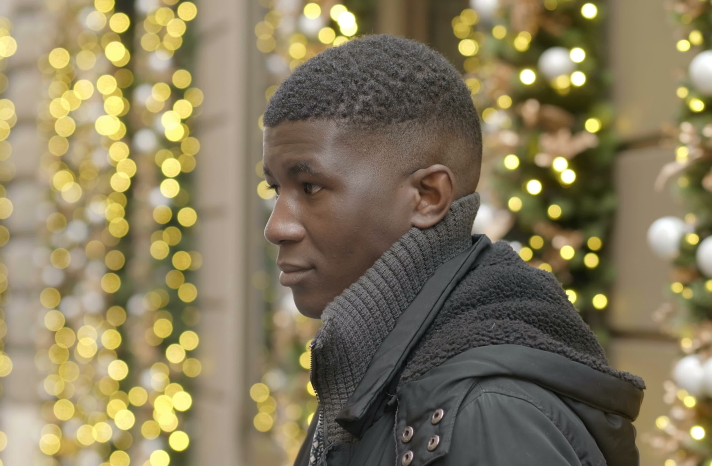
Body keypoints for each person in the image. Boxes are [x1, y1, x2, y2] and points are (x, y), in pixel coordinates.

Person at [261, 34, 644, 466]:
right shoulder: (366, 372)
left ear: (428, 195)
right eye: (276, 189)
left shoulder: (486, 414)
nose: (277, 227)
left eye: (310, 187)